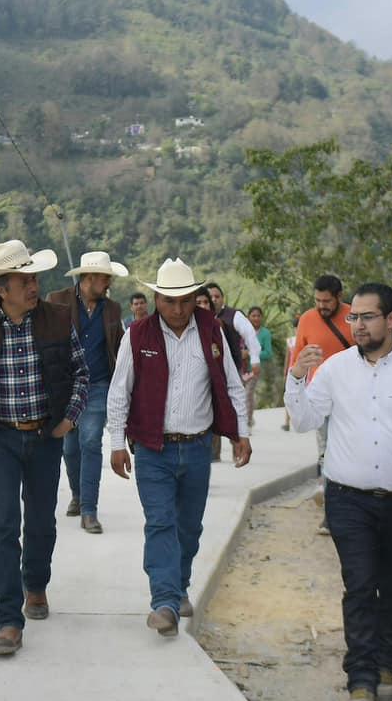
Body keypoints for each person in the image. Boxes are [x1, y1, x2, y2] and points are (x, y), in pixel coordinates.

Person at [287, 282, 392, 701]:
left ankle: (386, 664)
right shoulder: (336, 370)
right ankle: (360, 680)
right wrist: (297, 376)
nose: (356, 325)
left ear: (391, 319)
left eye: (366, 317)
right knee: (359, 585)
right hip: (346, 499)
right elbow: (303, 420)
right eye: (352, 317)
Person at [0, 239, 90, 658]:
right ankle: (8, 620)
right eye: (23, 280)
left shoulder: (58, 319)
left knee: (42, 522)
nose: (33, 286)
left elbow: (82, 374)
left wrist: (70, 417)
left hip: (46, 435)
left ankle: (36, 584)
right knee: (3, 527)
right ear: (1, 289)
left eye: (34, 278)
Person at [107, 259, 252, 637]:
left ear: (195, 298)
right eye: (169, 301)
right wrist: (116, 442)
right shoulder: (138, 335)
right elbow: (119, 391)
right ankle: (164, 603)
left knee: (189, 527)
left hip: (198, 447)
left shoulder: (212, 331)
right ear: (157, 298)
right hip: (154, 449)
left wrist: (242, 432)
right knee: (160, 523)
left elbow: (232, 384)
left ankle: (180, 584)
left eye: (185, 300)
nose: (177, 308)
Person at [47, 252, 128, 534]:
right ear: (88, 278)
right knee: (70, 447)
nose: (108, 283)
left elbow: (119, 348)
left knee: (91, 440)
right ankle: (78, 495)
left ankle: (89, 511)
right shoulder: (57, 301)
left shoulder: (113, 310)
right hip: (66, 386)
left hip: (98, 385)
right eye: (104, 278)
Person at [287, 274, 356, 532]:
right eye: (317, 300)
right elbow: (298, 360)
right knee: (326, 451)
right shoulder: (306, 319)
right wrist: (294, 397)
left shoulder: (354, 317)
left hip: (353, 398)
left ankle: (351, 507)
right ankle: (329, 511)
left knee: (350, 451)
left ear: (339, 297)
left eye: (326, 301)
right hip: (320, 397)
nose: (321, 306)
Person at [203, 282, 256, 461]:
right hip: (209, 376)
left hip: (231, 372)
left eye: (217, 297)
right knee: (211, 411)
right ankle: (213, 455)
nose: (214, 300)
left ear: (222, 298)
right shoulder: (196, 322)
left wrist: (255, 360)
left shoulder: (233, 316)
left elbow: (250, 335)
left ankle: (237, 450)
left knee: (233, 410)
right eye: (211, 297)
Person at [246, 305, 275, 416]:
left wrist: (250, 354)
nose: (256, 318)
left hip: (254, 369)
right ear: (248, 317)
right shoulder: (244, 330)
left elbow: (268, 353)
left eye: (258, 316)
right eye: (253, 316)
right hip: (240, 367)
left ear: (262, 317)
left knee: (248, 394)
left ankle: (247, 421)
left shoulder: (265, 333)